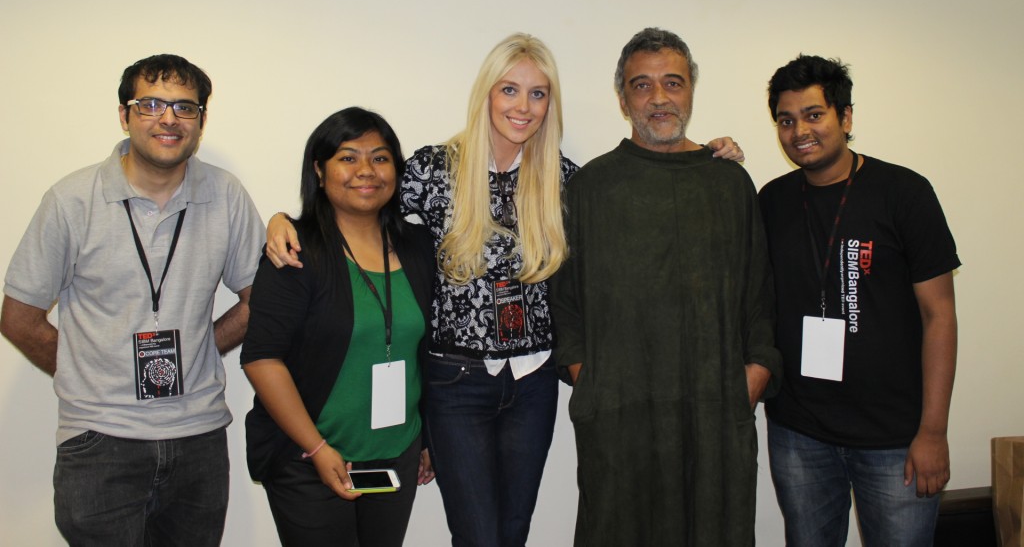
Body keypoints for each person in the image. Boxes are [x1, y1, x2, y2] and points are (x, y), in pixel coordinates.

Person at [265, 33, 744, 546]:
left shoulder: (565, 180)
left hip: (534, 384)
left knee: (513, 533)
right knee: (476, 536)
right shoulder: (434, 169)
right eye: (509, 90)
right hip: (455, 382)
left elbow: (640, 218)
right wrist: (281, 219)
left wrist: (707, 157)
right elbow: (358, 195)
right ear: (486, 95)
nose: (523, 106)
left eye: (538, 94)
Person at [0, 54, 264, 546]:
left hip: (198, 436)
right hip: (100, 440)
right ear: (124, 115)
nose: (168, 118)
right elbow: (19, 318)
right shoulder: (72, 200)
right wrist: (88, 371)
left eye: (185, 108)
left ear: (202, 122)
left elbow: (260, 299)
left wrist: (200, 348)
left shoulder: (225, 195)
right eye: (151, 104)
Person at [549, 27, 780, 547]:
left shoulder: (729, 184)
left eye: (672, 83)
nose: (659, 98)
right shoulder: (591, 187)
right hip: (620, 418)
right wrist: (592, 380)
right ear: (622, 96)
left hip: (715, 416)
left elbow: (761, 295)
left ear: (691, 89)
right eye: (642, 85)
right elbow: (565, 306)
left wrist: (755, 375)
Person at [759, 54, 959, 546]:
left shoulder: (904, 193)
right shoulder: (772, 200)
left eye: (813, 114)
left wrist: (933, 431)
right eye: (786, 120)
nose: (799, 130)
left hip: (896, 438)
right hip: (800, 432)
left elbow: (940, 317)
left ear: (845, 118)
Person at [241, 107, 436, 547]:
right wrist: (316, 448)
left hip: (395, 456)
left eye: (380, 158)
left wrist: (425, 436)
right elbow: (261, 358)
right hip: (309, 460)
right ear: (319, 169)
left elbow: (426, 352)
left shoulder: (419, 247)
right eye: (348, 157)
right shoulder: (294, 251)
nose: (366, 170)